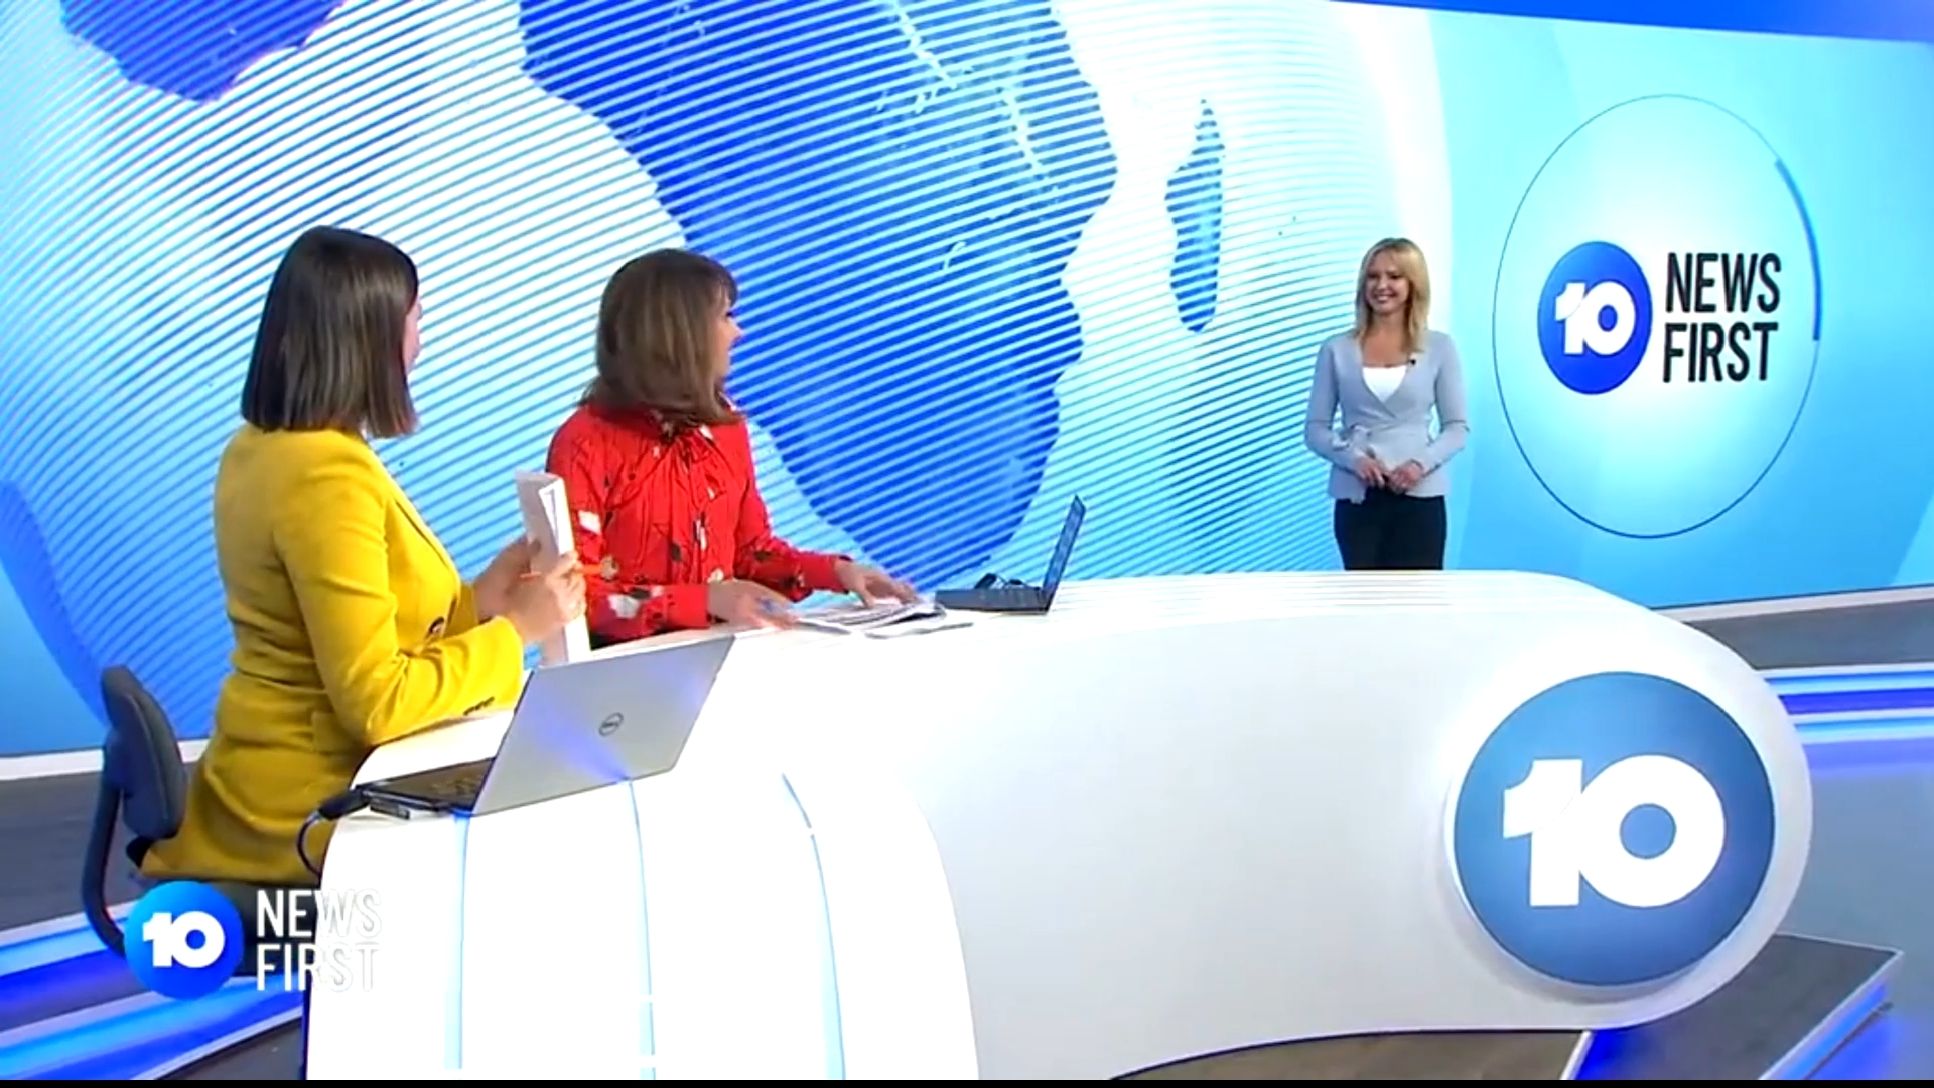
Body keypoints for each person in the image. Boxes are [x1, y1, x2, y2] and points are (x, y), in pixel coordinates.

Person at [139, 226, 586, 892]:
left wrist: (481, 603)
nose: (421, 341)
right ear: (370, 338)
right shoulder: (327, 478)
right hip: (308, 810)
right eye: (416, 319)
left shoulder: (264, 447)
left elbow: (353, 630)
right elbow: (377, 702)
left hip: (257, 784)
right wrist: (516, 630)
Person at [546, 248, 914, 647]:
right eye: (725, 316)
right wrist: (704, 600)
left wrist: (837, 573)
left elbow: (751, 554)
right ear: (681, 334)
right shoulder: (585, 444)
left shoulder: (725, 426)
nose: (739, 333)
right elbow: (576, 597)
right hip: (625, 671)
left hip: (725, 654)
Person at [1303, 237, 1470, 571]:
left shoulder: (1439, 348)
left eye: (1394, 276)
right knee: (1364, 597)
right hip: (1358, 496)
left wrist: (1419, 465)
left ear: (1413, 284)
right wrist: (1354, 460)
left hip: (1420, 496)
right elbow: (1315, 430)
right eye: (1373, 276)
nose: (1381, 286)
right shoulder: (1336, 349)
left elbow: (1457, 428)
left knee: (1419, 596)